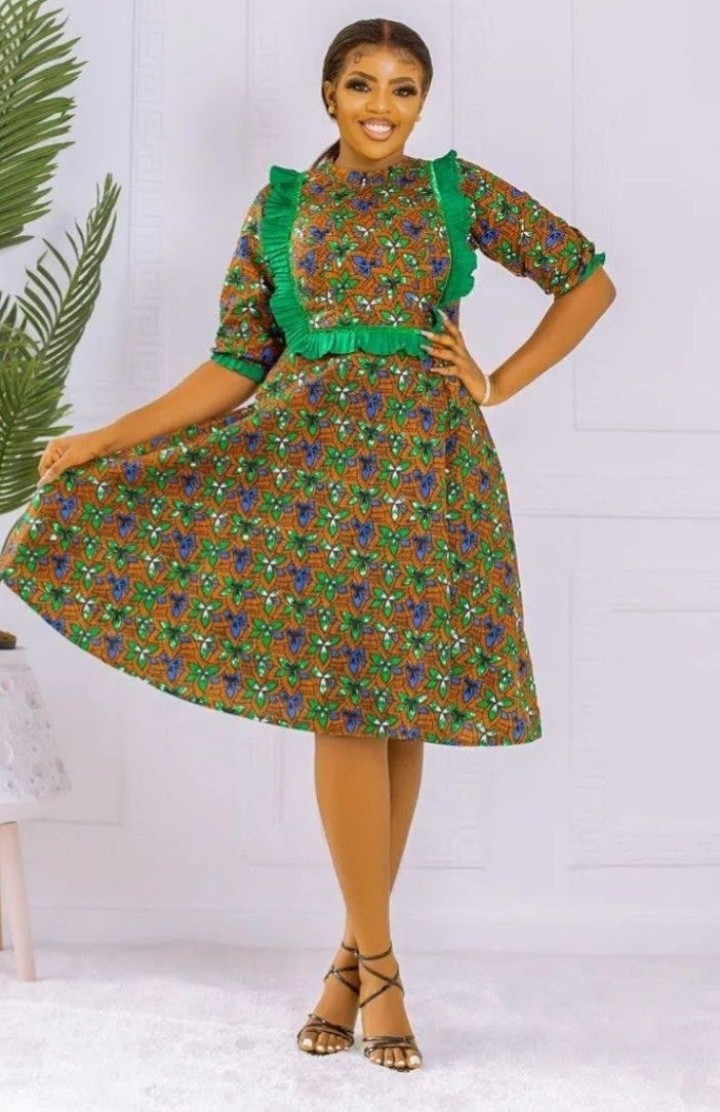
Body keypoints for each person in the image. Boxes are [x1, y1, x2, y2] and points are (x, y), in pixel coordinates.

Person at [0, 17, 615, 1072]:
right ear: (328, 94)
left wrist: (497, 381)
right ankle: (382, 968)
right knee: (345, 704)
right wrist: (105, 437)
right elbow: (236, 362)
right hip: (310, 478)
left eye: (405, 88)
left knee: (397, 712)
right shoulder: (282, 207)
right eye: (363, 84)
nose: (383, 106)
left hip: (430, 477)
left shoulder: (456, 192)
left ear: (424, 101)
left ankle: (348, 965)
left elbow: (589, 280)